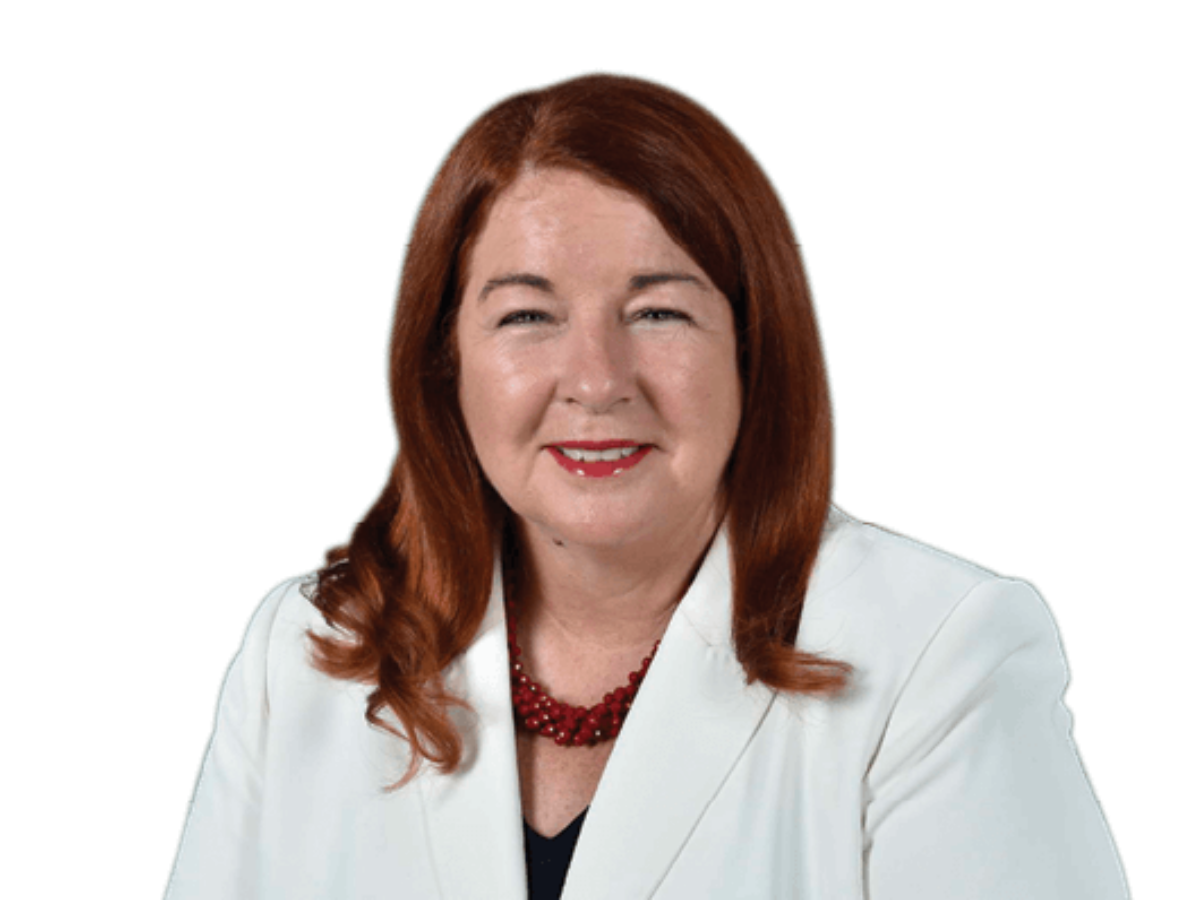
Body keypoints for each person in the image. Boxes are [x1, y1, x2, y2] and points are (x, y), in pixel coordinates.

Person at [164, 71, 1128, 899]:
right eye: (527, 317)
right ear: (442, 362)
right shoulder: (306, 655)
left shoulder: (940, 656)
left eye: (659, 311)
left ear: (753, 350)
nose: (597, 380)